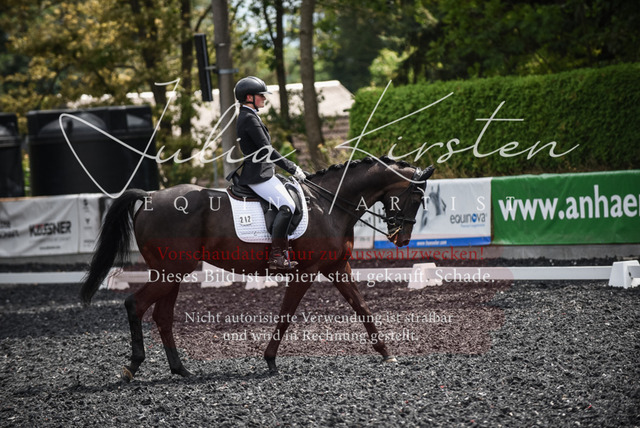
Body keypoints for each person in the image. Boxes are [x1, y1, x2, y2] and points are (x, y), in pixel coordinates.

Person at [233, 76, 306, 270]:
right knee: (287, 206)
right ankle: (276, 256)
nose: (264, 98)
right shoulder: (248, 118)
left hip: (263, 171)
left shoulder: (250, 115)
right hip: (258, 175)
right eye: (261, 95)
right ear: (249, 97)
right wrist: (292, 167)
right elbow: (267, 150)